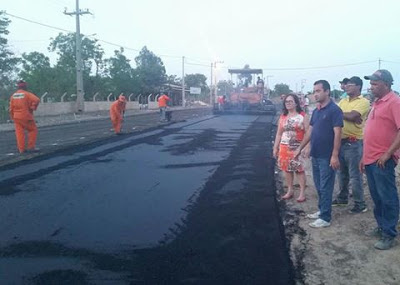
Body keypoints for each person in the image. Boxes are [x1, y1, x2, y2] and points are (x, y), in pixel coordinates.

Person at [295, 80, 343, 228]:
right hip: (315, 154)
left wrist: (334, 155)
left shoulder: (334, 110)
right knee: (318, 185)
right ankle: (322, 209)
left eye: (318, 91)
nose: (315, 94)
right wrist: (300, 148)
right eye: (314, 91)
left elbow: (338, 133)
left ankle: (325, 217)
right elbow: (310, 131)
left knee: (326, 186)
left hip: (327, 156)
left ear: (327, 91)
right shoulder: (316, 111)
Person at [361, 69, 400, 250]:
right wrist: (363, 157)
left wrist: (387, 153)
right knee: (377, 197)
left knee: (387, 197)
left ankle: (389, 233)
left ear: (386, 84)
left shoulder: (394, 102)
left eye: (375, 84)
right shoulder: (376, 103)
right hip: (370, 159)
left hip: (383, 160)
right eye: (371, 84)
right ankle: (381, 226)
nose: (371, 87)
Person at [333, 76, 370, 213]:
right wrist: (346, 114)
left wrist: (344, 114)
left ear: (358, 86)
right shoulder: (343, 100)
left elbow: (353, 116)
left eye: (350, 85)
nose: (346, 87)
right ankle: (342, 198)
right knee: (341, 174)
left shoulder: (364, 102)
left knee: (355, 175)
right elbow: (340, 115)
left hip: (354, 143)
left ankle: (360, 204)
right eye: (346, 85)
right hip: (340, 142)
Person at [273, 93, 309, 202]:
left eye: (290, 101)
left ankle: (302, 192)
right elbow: (279, 133)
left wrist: (307, 147)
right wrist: (275, 147)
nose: (288, 103)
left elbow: (308, 132)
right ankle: (290, 190)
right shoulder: (283, 116)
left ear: (296, 103)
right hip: (284, 147)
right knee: (287, 169)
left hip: (297, 147)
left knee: (299, 169)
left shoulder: (302, 116)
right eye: (286, 102)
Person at [9, 80, 40, 154]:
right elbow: (37, 99)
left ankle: (21, 150)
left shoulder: (13, 96)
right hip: (26, 116)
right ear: (25, 86)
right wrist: (33, 107)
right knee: (33, 130)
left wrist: (12, 117)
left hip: (16, 117)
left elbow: (11, 108)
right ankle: (31, 147)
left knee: (19, 133)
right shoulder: (27, 94)